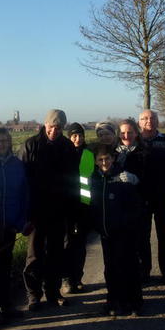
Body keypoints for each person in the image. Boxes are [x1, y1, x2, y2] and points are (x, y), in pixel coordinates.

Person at [19, 109, 79, 311]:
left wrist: (73, 212)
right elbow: (22, 182)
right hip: (35, 212)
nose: (54, 131)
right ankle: (33, 295)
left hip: (59, 211)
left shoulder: (68, 147)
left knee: (55, 253)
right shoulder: (30, 145)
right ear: (45, 125)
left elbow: (74, 182)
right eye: (51, 126)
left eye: (59, 127)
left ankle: (53, 293)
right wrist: (26, 213)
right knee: (34, 255)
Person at [0, 127, 31, 325]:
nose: (0, 144)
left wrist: (22, 221)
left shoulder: (17, 165)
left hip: (10, 225)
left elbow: (24, 195)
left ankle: (6, 305)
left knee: (5, 267)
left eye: (4, 141)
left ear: (9, 143)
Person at [89, 144, 143, 317]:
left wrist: (127, 224)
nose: (104, 162)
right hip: (105, 233)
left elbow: (134, 205)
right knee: (110, 269)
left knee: (127, 266)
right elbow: (92, 206)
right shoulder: (94, 179)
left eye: (107, 159)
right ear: (96, 162)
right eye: (100, 159)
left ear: (113, 159)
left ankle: (132, 301)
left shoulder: (122, 177)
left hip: (123, 232)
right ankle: (113, 300)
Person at [138, 109, 165, 285]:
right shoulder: (135, 142)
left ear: (157, 121)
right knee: (142, 237)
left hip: (163, 199)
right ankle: (144, 272)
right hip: (141, 201)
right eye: (145, 118)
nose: (149, 121)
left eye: (152, 118)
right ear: (139, 122)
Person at [62, 122, 94, 294]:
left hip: (84, 206)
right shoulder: (63, 154)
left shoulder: (89, 154)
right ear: (69, 137)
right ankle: (66, 279)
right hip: (67, 207)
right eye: (74, 135)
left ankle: (78, 277)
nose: (78, 138)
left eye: (80, 135)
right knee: (67, 244)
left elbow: (90, 180)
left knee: (81, 245)